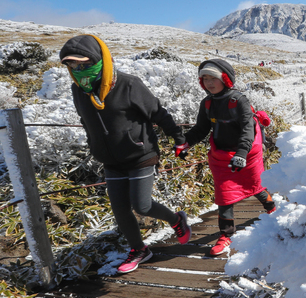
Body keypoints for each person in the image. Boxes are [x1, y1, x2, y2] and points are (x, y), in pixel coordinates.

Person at [59, 34, 192, 273]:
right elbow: (85, 119)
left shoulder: (128, 84)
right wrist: (95, 144)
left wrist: (179, 139)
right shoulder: (78, 90)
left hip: (141, 155)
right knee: (120, 209)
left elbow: (159, 114)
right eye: (73, 65)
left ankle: (176, 220)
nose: (79, 69)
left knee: (141, 206)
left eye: (85, 64)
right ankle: (140, 249)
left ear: (100, 59)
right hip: (110, 159)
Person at [177, 59, 275, 256]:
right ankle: (226, 234)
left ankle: (272, 208)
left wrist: (241, 153)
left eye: (213, 78)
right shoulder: (206, 103)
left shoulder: (239, 100)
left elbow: (248, 129)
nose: (209, 83)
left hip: (248, 152)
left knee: (255, 185)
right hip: (220, 155)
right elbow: (201, 129)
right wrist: (185, 142)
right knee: (224, 194)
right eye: (205, 79)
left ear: (226, 79)